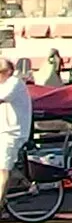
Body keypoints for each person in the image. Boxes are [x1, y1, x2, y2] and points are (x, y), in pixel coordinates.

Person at [0, 59, 31, 208]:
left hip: (13, 132)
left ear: (8, 72)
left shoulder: (14, 83)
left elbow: (2, 98)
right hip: (2, 130)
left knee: (2, 169)